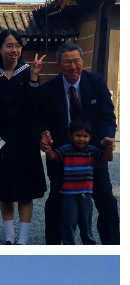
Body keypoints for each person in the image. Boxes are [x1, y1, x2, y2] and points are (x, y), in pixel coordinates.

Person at [37, 42, 119, 245]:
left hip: (93, 152)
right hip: (62, 155)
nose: (73, 67)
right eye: (67, 62)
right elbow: (41, 120)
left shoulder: (96, 82)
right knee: (56, 201)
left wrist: (107, 139)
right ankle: (54, 248)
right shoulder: (48, 90)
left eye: (77, 61)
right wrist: (44, 138)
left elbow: (107, 116)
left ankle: (113, 245)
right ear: (59, 65)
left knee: (106, 200)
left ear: (82, 62)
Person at [0, 29, 45, 244]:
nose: (14, 50)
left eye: (17, 45)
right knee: (3, 187)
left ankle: (23, 238)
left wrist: (34, 78)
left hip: (26, 137)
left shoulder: (29, 71)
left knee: (26, 189)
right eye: (9, 45)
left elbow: (36, 106)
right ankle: (9, 237)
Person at [41, 120, 114, 244]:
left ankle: (89, 246)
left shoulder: (92, 150)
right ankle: (69, 247)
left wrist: (108, 149)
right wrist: (48, 148)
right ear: (71, 136)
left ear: (90, 137)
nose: (81, 139)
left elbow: (107, 158)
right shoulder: (66, 149)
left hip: (86, 194)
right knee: (69, 222)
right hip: (68, 194)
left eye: (85, 136)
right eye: (78, 135)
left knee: (86, 223)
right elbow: (53, 157)